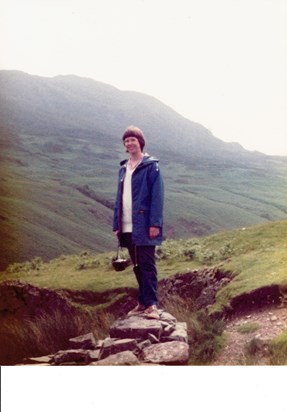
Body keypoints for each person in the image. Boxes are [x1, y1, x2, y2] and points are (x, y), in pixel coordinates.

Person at [113, 125, 164, 319]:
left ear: (140, 142)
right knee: (136, 265)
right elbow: (119, 197)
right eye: (126, 141)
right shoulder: (123, 168)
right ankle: (142, 302)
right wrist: (116, 225)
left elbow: (157, 197)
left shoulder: (151, 166)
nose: (129, 143)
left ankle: (151, 304)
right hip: (126, 224)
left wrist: (155, 224)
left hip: (143, 224)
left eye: (132, 139)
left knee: (147, 264)